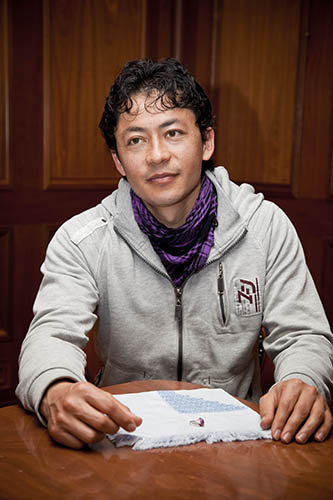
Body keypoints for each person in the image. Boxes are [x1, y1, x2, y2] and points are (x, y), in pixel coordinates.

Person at [16, 58, 333, 450]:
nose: (156, 155)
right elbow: (51, 335)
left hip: (237, 445)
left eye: (173, 133)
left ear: (207, 142)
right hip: (125, 440)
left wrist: (303, 379)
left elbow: (303, 335)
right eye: (135, 140)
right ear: (118, 160)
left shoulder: (265, 226)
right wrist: (55, 389)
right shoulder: (82, 239)